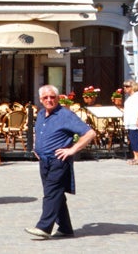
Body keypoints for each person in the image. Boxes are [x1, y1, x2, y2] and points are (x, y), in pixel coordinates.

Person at [24, 84, 97, 240]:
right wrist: (37, 148)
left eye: (52, 97)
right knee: (56, 194)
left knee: (51, 192)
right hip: (44, 160)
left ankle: (44, 227)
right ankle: (65, 228)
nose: (49, 100)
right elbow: (40, 132)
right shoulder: (42, 114)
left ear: (57, 98)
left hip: (59, 160)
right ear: (40, 99)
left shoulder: (65, 115)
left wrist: (72, 150)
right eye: (45, 97)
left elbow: (90, 133)